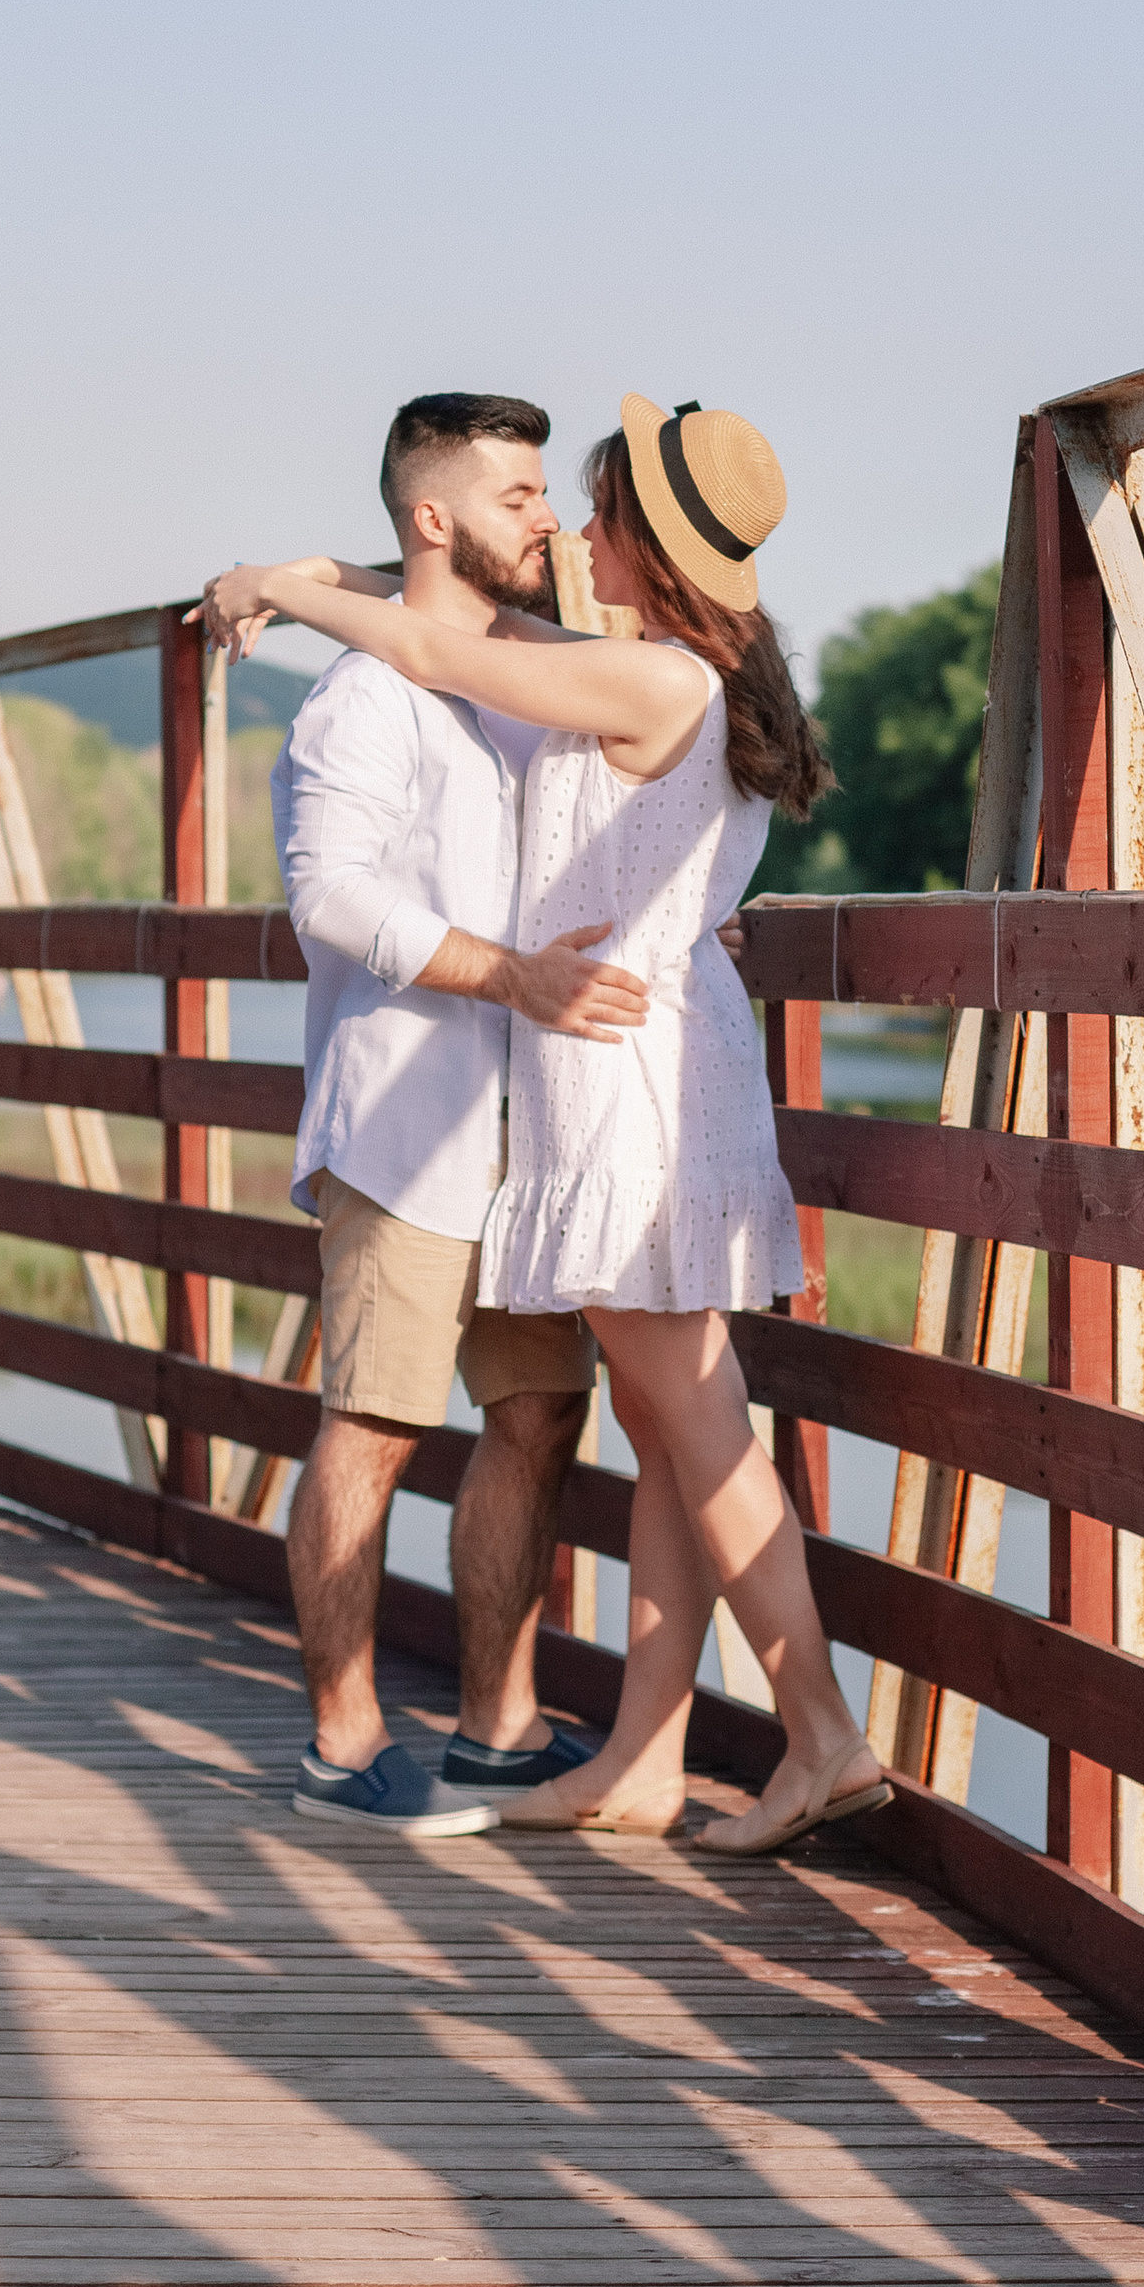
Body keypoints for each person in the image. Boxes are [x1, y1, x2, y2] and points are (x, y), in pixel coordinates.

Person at [204, 397, 888, 1860]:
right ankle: (644, 1754)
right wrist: (334, 566)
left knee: (698, 1427)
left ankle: (823, 1734)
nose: (571, 529)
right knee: (663, 1422)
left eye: (589, 507)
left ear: (644, 540)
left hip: (627, 1080)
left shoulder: (652, 680)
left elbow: (450, 645)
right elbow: (450, 620)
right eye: (535, 499)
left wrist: (278, 587)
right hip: (608, 1076)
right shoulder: (643, 667)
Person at [257, 392, 657, 1842]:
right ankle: (343, 1736)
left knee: (543, 1412)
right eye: (516, 494)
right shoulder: (360, 700)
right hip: (402, 1123)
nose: (545, 516)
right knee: (372, 1426)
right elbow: (333, 896)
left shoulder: (520, 672)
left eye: (547, 492)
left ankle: (498, 1726)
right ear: (434, 518)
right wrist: (514, 977)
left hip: (532, 1131)